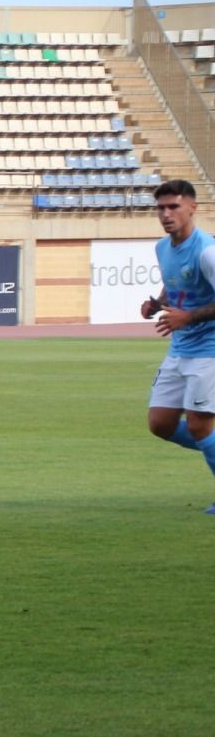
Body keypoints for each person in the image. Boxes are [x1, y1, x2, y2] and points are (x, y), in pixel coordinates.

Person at [140, 178, 215, 514]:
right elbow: (174, 284)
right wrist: (157, 303)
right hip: (180, 349)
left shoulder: (207, 252)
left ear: (192, 207)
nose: (166, 214)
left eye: (174, 207)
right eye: (160, 208)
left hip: (209, 350)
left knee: (200, 424)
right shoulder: (162, 248)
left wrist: (189, 317)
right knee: (160, 424)